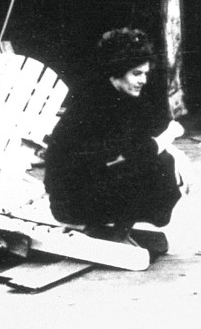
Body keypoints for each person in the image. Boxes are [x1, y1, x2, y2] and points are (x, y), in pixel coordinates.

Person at [43, 27, 184, 258]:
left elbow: (132, 146)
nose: (143, 80)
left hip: (83, 188)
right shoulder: (97, 105)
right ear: (118, 71)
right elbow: (133, 153)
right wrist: (169, 137)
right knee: (157, 164)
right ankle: (115, 232)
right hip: (70, 200)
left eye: (145, 74)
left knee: (159, 160)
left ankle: (113, 228)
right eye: (137, 74)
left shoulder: (114, 96)